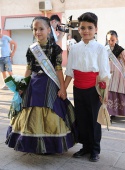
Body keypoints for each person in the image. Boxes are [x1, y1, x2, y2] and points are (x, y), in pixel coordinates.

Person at [5, 16, 77, 154]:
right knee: (29, 110)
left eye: (41, 29)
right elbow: (29, 68)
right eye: (35, 29)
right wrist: (22, 85)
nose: (38, 32)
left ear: (49, 30)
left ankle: (50, 145)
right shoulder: (32, 49)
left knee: (51, 109)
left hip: (49, 84)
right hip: (33, 83)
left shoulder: (55, 49)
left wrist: (63, 88)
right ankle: (32, 144)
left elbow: (58, 69)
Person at [64, 12, 110, 162]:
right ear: (78, 29)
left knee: (94, 121)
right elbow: (69, 71)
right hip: (78, 88)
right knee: (82, 119)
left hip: (94, 89)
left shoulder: (100, 49)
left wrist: (105, 93)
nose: (86, 31)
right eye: (83, 27)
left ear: (96, 29)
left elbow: (104, 73)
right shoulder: (74, 48)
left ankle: (95, 150)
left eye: (90, 27)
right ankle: (85, 147)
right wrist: (63, 88)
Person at [105, 30, 125, 118]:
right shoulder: (105, 49)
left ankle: (116, 111)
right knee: (108, 91)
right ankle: (109, 111)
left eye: (112, 40)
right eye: (109, 40)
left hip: (118, 75)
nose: (110, 42)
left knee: (118, 91)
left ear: (116, 39)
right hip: (108, 74)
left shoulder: (120, 50)